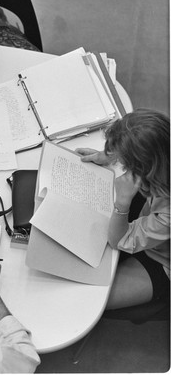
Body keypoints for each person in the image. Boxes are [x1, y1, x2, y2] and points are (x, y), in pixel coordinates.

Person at [76, 109, 170, 310]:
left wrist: (123, 202)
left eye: (125, 164)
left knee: (88, 300)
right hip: (150, 211)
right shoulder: (163, 147)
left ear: (143, 169)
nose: (122, 167)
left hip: (162, 259)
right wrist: (108, 156)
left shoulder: (167, 214)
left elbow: (119, 240)